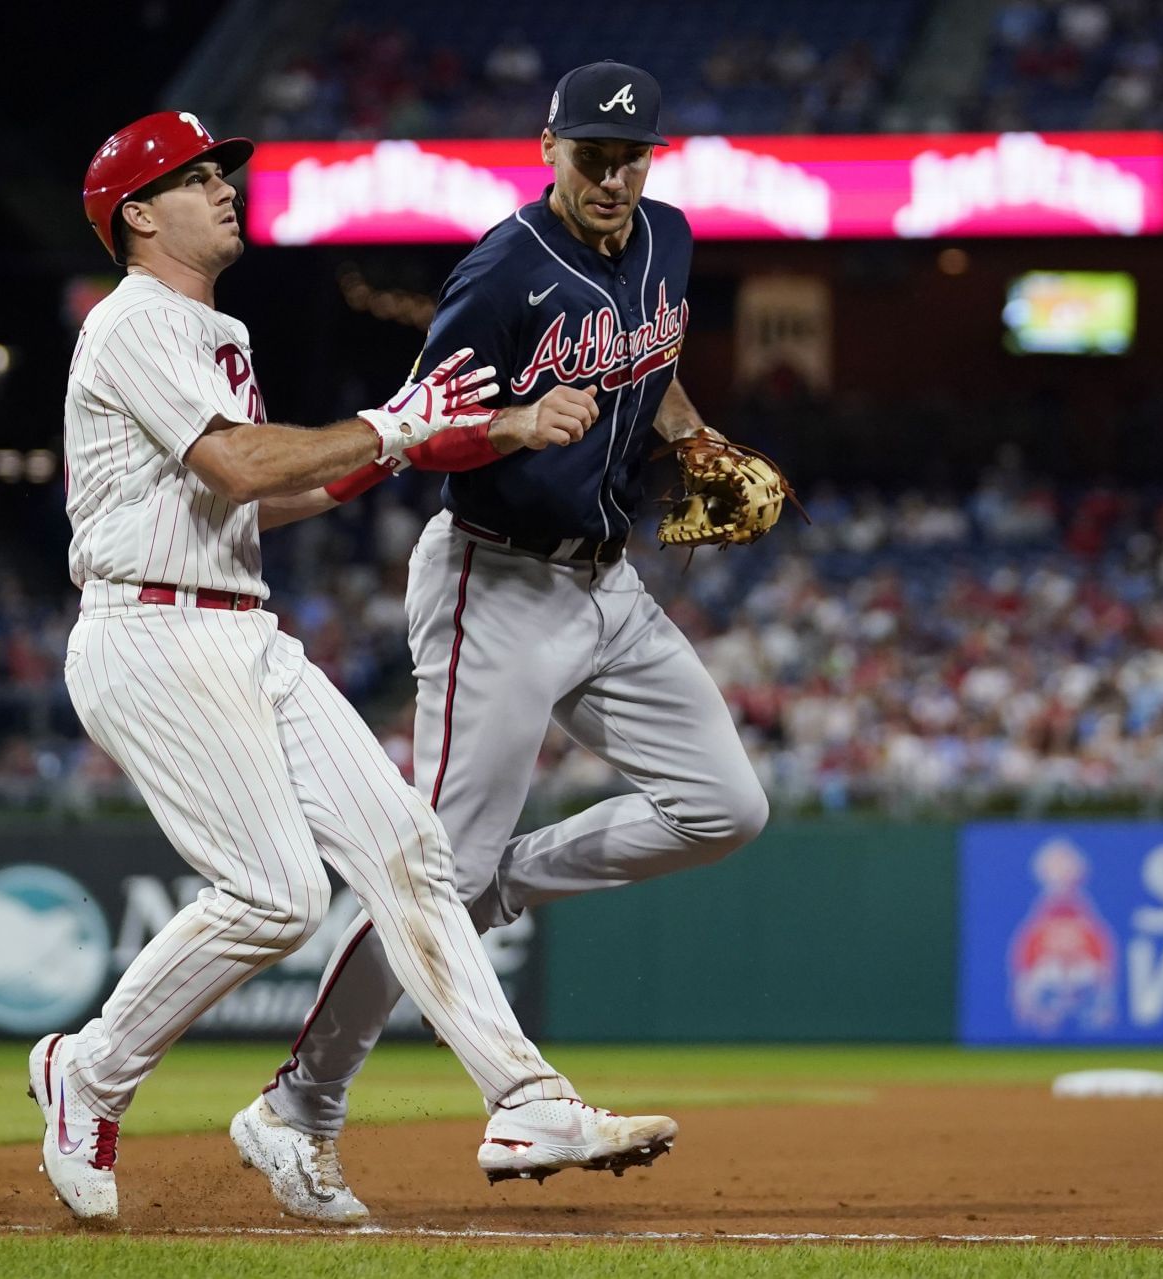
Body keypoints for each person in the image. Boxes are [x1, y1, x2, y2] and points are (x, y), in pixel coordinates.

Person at [29, 109, 675, 1223]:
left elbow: (268, 497)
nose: (228, 185)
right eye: (198, 175)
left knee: (410, 846)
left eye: (227, 169)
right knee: (275, 895)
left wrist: (403, 443)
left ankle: (526, 1098)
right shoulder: (133, 321)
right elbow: (235, 463)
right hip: (150, 629)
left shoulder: (210, 328)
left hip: (237, 623)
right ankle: (88, 1072)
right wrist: (389, 422)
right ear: (137, 213)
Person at [242, 61, 772, 1219]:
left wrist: (693, 439)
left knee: (726, 806)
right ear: (549, 148)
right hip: (497, 579)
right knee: (431, 860)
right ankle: (297, 1104)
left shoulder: (668, 240)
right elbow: (412, 434)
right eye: (592, 154)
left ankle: (497, 884)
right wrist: (515, 423)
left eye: (632, 156)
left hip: (609, 583)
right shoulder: (501, 273)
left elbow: (656, 366)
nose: (613, 176)